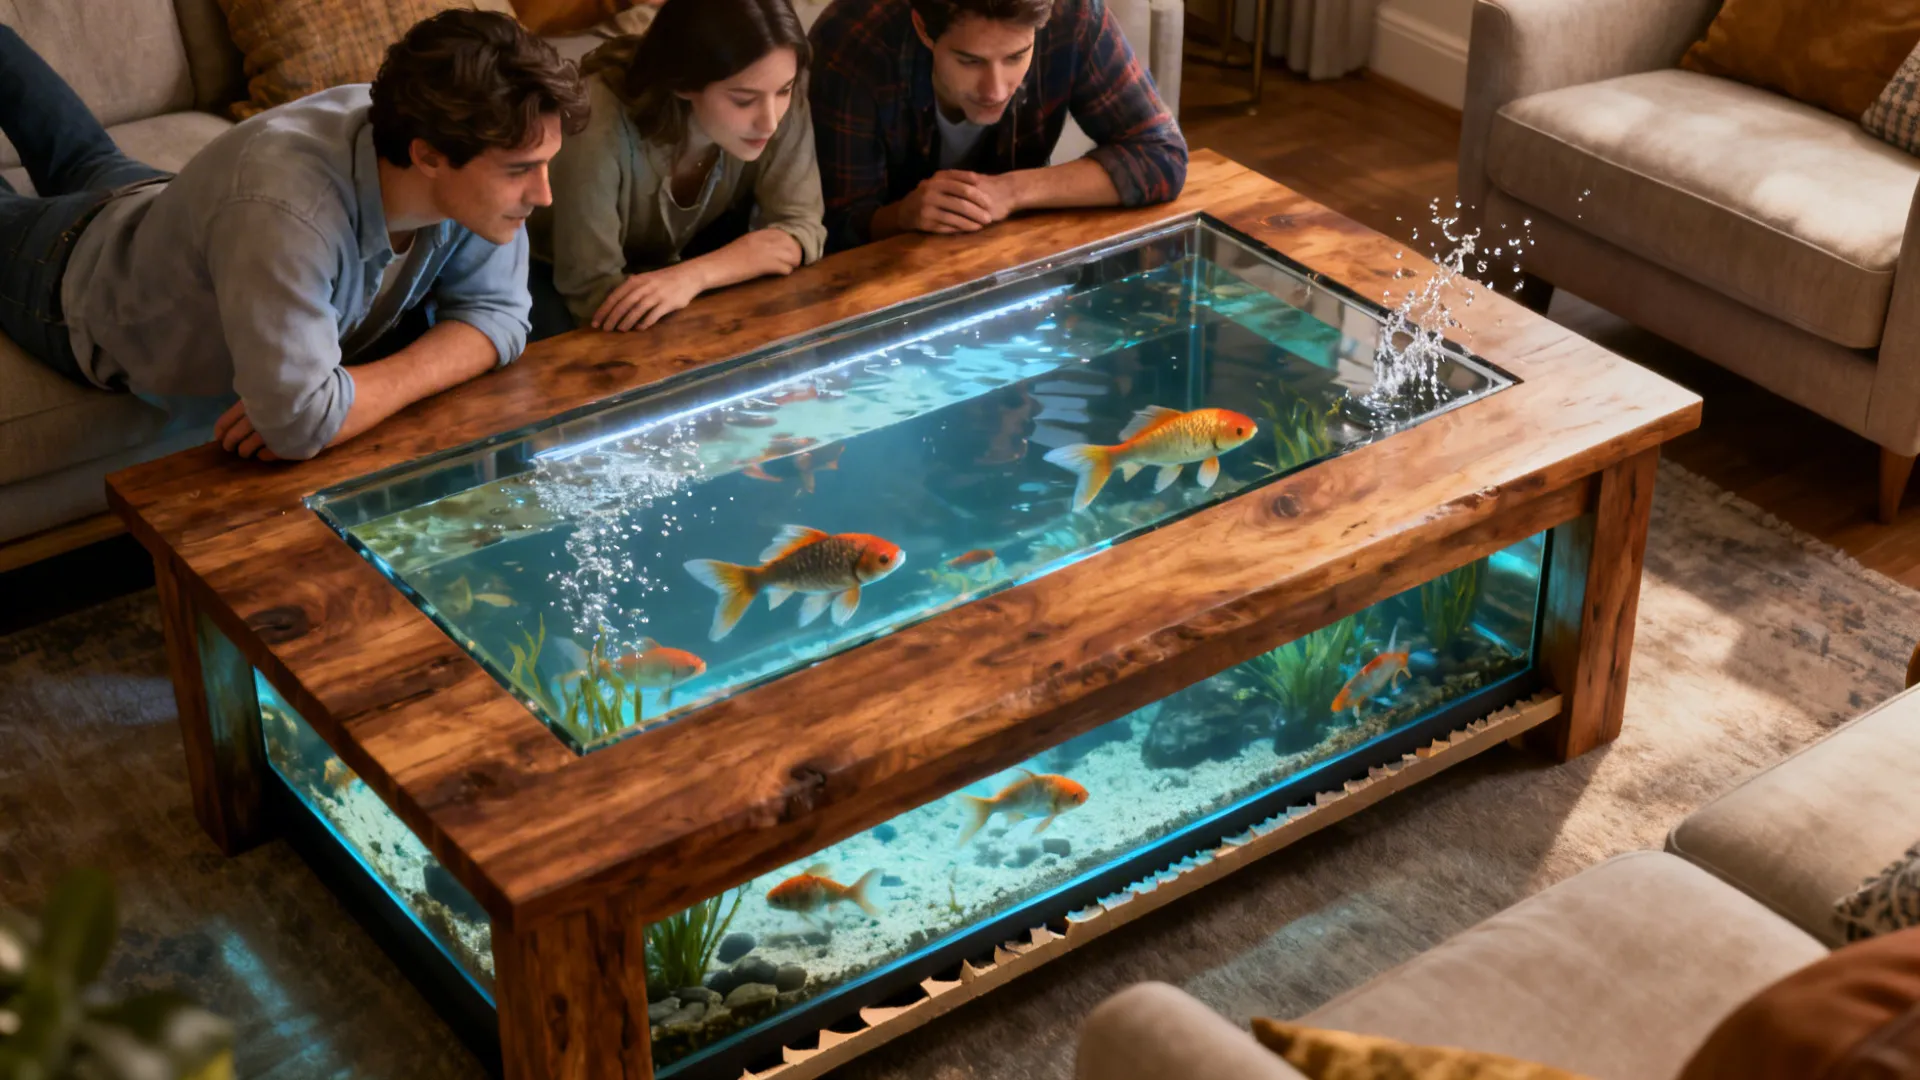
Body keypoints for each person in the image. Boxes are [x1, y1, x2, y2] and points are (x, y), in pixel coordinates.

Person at [0, 10, 588, 462]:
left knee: (80, 151)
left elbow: (503, 317)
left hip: (154, 204)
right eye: (519, 171)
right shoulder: (285, 211)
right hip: (67, 276)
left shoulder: (457, 161)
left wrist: (348, 393)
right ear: (428, 156)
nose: (544, 195)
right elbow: (301, 424)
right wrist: (321, 403)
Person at [534, 0, 826, 334]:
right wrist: (692, 279)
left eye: (784, 91)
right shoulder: (597, 124)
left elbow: (801, 227)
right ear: (683, 82)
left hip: (672, 276)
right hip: (546, 288)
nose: (770, 122)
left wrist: (693, 276)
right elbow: (593, 295)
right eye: (743, 100)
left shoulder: (775, 95)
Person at [807, 0, 1186, 252]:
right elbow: (833, 228)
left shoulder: (1073, 14)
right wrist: (903, 215)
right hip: (882, 294)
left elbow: (1162, 154)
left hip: (1015, 262)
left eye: (1017, 56)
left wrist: (1011, 191)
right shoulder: (853, 44)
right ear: (923, 28)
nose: (996, 90)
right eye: (969, 61)